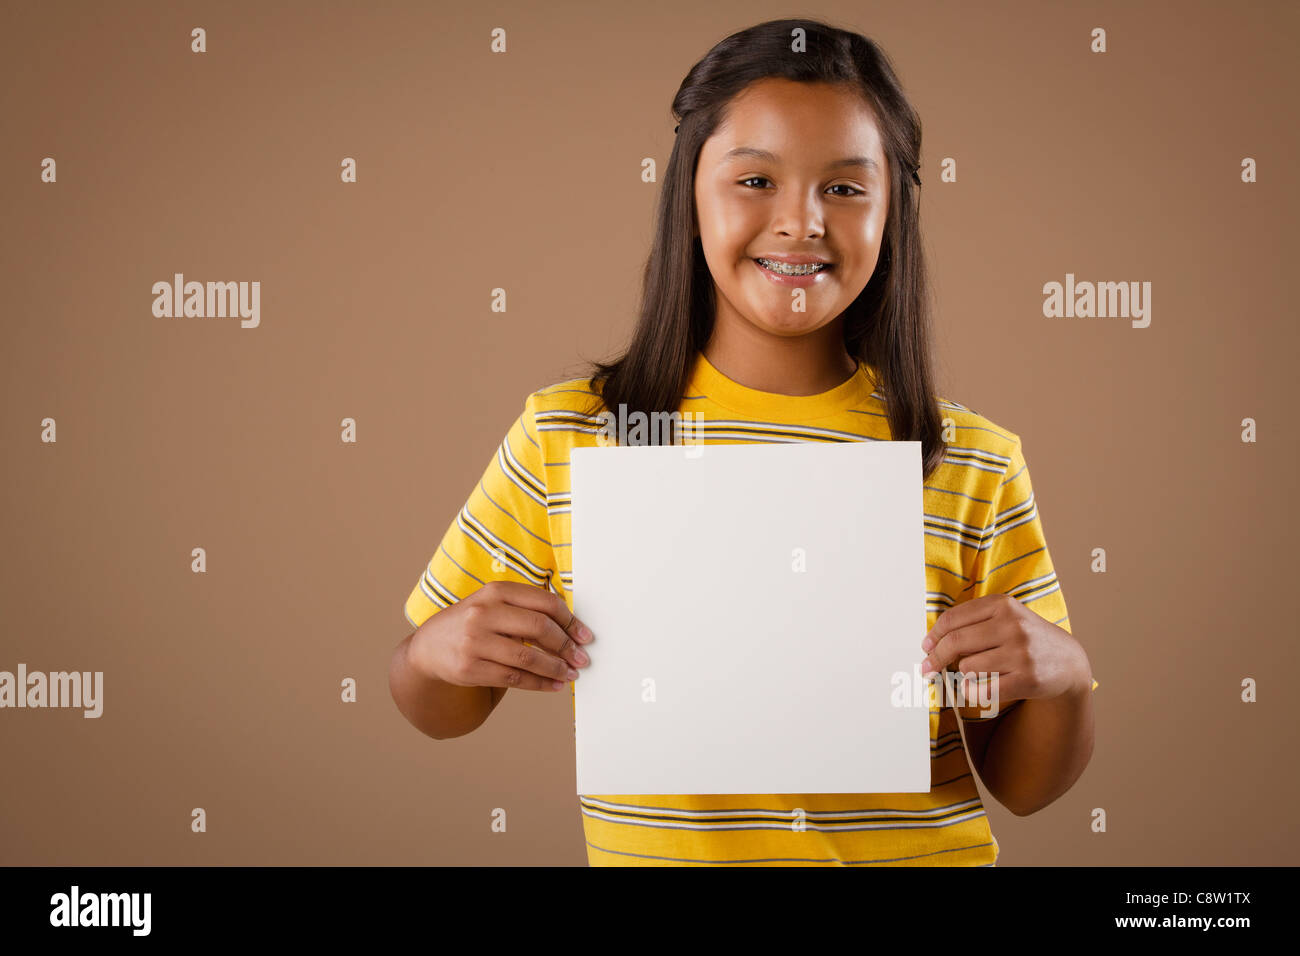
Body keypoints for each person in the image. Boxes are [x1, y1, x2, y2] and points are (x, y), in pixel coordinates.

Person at [389, 16, 1096, 866]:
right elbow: (437, 706)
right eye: (755, 179)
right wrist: (437, 654)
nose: (799, 222)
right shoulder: (573, 436)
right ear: (690, 192)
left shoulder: (969, 458)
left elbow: (1025, 785)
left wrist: (1061, 672)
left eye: (844, 188)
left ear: (892, 214)